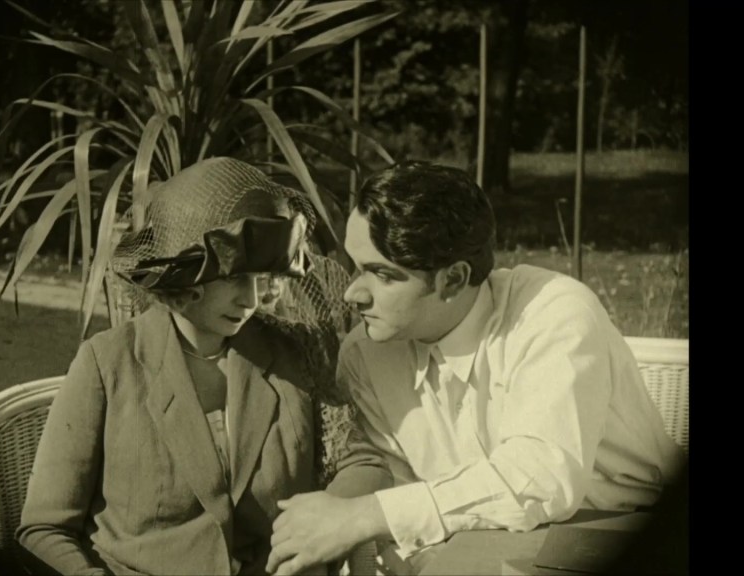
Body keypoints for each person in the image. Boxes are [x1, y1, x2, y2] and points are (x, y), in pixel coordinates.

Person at [266, 161, 686, 575]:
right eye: (356, 266)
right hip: (479, 545)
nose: (352, 294)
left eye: (382, 274)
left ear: (453, 279)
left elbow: (542, 479)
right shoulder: (366, 354)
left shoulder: (554, 314)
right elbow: (399, 495)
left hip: (629, 535)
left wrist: (365, 515)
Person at [16, 157, 392, 576]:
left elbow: (364, 463)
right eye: (233, 278)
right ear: (184, 278)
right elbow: (44, 528)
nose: (252, 299)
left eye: (260, 277)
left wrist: (322, 521)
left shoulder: (295, 351)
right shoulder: (107, 363)